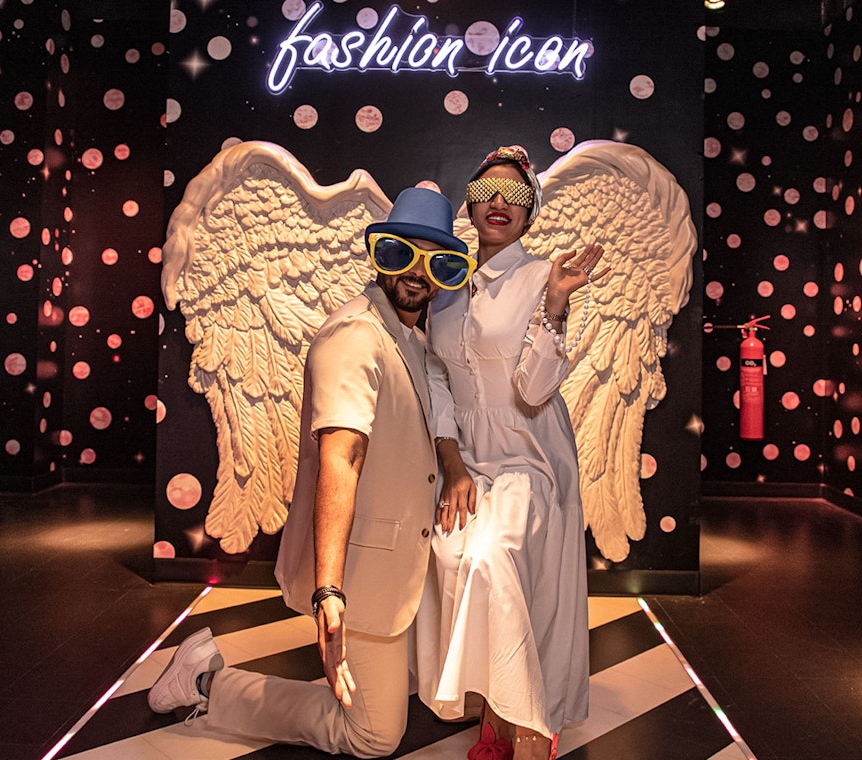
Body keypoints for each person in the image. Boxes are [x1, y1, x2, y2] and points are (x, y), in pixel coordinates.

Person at [148, 187, 476, 758]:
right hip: (364, 568)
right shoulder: (356, 338)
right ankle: (207, 682)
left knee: (415, 691)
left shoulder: (407, 338)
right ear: (380, 255)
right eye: (404, 255)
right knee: (374, 736)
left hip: (404, 560)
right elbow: (340, 459)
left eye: (437, 262)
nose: (419, 274)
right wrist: (330, 589)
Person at [415, 146, 609, 760]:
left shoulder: (540, 278)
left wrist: (554, 305)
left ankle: (527, 722)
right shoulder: (446, 288)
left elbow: (532, 391)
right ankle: (496, 710)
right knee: (453, 556)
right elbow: (437, 379)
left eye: (517, 197)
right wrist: (452, 466)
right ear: (469, 206)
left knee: (496, 560)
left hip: (531, 456)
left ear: (530, 214)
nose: (501, 204)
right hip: (468, 461)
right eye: (487, 194)